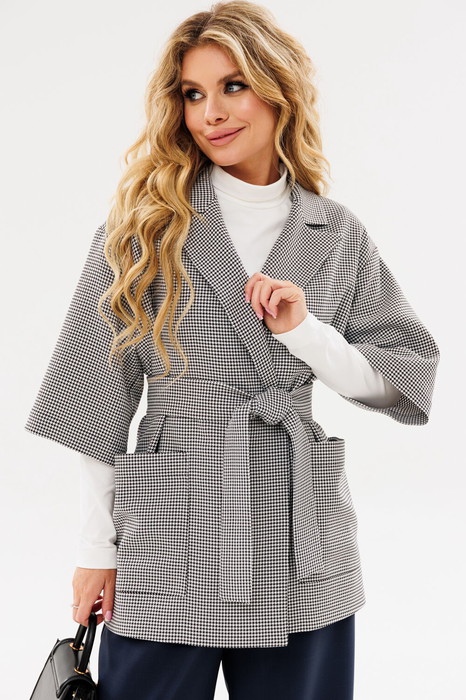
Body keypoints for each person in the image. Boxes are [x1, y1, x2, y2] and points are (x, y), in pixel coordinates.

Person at [24, 1, 440, 698]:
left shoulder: (334, 232)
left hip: (300, 538)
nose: (211, 113)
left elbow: (402, 381)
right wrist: (96, 551)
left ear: (279, 91)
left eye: (233, 86)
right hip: (169, 534)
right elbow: (95, 399)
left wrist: (302, 332)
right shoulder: (145, 229)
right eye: (193, 94)